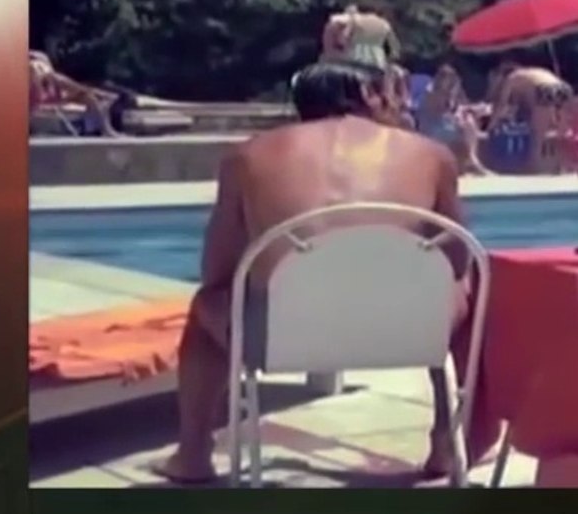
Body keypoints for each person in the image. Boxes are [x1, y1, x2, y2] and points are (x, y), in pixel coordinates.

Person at [156, 61, 468, 484]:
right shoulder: (433, 155)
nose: (399, 102)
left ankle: (193, 454)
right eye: (391, 92)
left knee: (207, 303)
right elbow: (458, 259)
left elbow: (217, 269)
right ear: (368, 94)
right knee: (468, 288)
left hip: (282, 339)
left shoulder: (247, 156)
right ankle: (447, 440)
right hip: (411, 332)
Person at [488, 57, 573, 173]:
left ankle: (534, 166)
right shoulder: (531, 73)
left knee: (537, 134)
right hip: (563, 87)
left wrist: (492, 124)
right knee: (562, 131)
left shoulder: (512, 77)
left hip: (545, 89)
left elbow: (502, 103)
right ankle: (564, 165)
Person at [416, 63, 488, 175]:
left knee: (468, 122)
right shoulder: (433, 92)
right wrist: (458, 111)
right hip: (432, 127)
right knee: (465, 128)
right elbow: (442, 111)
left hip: (443, 123)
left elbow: (460, 105)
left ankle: (470, 161)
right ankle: (472, 161)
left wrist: (471, 108)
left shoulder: (451, 91)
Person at [28, 50, 121, 136]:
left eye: (40, 67)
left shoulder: (56, 79)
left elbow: (79, 88)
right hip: (34, 106)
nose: (37, 70)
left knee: (88, 97)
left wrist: (102, 95)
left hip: (50, 101)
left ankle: (106, 129)